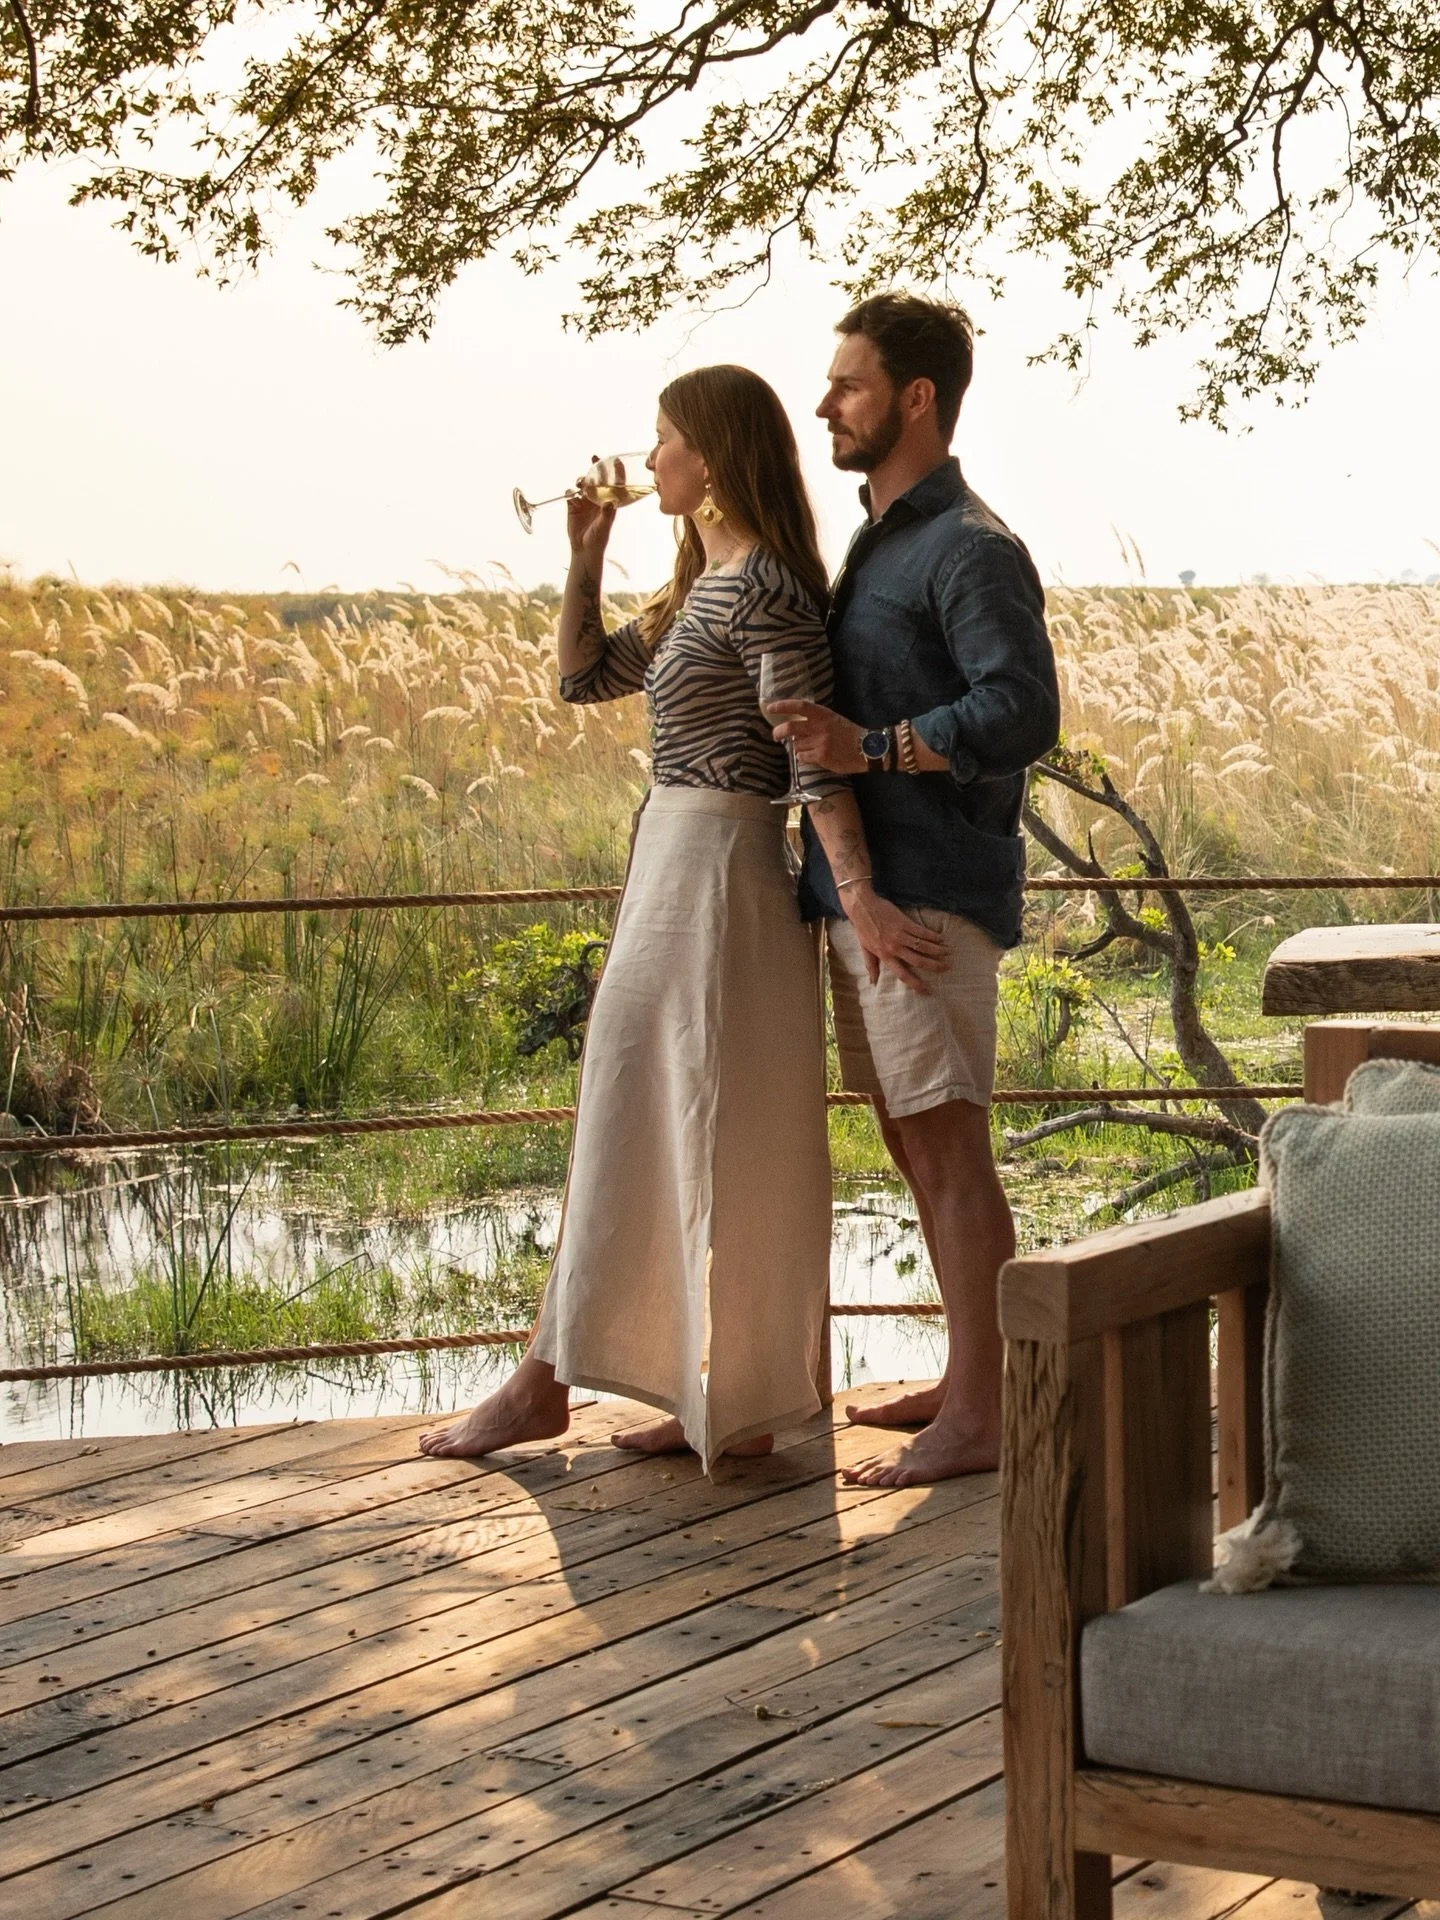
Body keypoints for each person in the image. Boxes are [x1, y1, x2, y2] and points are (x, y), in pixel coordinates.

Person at [420, 365, 943, 1469]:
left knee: (708, 1124)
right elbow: (578, 677)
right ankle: (717, 1396)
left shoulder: (765, 593)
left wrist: (861, 898)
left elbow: (809, 754)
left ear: (710, 457)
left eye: (664, 443)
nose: (649, 460)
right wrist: (584, 547)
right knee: (642, 1112)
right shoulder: (698, 586)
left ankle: (565, 1384)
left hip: (721, 873)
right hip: (667, 857)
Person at [769, 294, 1061, 1489]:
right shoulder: (880, 539)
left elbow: (1022, 712)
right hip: (870, 896)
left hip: (933, 895)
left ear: (915, 398)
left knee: (949, 1153)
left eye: (846, 384)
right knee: (908, 1135)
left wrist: (872, 749)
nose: (825, 403)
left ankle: (984, 1418)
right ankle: (967, 1374)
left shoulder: (971, 547)